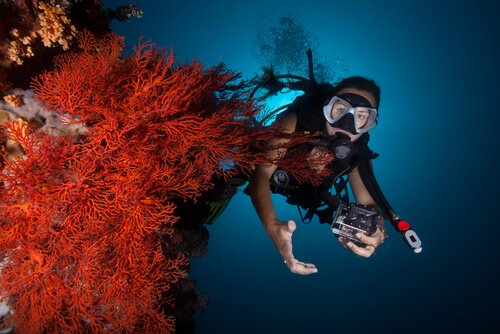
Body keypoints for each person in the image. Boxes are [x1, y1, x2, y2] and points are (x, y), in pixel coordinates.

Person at [248, 76, 389, 275]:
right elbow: (262, 172)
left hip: (305, 189)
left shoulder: (357, 158)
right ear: (327, 106)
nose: (346, 123)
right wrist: (271, 224)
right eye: (340, 109)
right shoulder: (299, 121)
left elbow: (371, 206)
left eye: (360, 117)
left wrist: (377, 231)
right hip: (275, 169)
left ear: (370, 124)